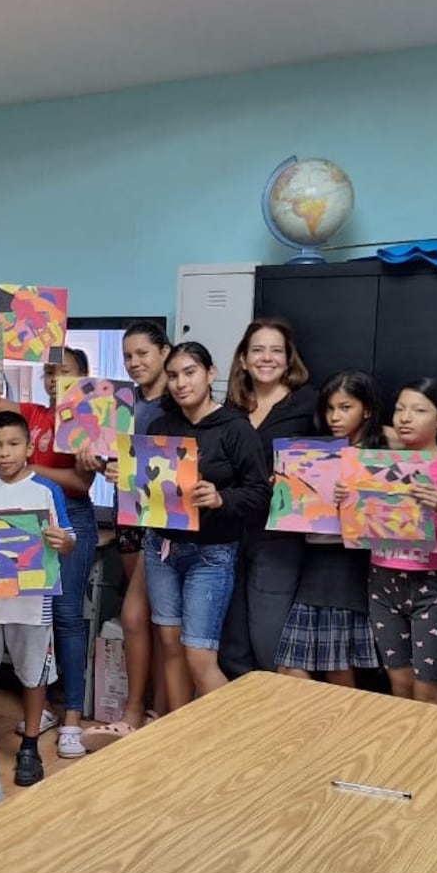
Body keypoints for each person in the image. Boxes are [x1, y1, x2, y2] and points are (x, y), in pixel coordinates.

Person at [0, 348, 98, 760]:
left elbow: (80, 484)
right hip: (18, 518)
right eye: (49, 371)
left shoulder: (86, 419)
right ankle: (43, 707)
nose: (54, 379)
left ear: (84, 376)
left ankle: (71, 715)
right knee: (33, 617)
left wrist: (28, 468)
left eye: (64, 372)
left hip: (67, 518)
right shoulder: (29, 412)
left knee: (66, 616)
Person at [144, 342, 270, 711]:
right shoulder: (161, 426)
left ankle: (236, 740)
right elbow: (149, 490)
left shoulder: (234, 428)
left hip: (211, 554)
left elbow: (259, 492)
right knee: (169, 645)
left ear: (210, 374)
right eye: (173, 375)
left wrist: (221, 499)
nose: (181, 382)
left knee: (199, 656)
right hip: (161, 549)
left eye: (190, 372)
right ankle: (178, 737)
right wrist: (124, 475)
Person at [0, 411, 76, 786]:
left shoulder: (46, 491)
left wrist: (64, 541)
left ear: (29, 447)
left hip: (32, 602)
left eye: (13, 444)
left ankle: (29, 742)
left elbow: (68, 540)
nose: (4, 453)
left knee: (33, 674)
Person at [77, 321, 172, 751]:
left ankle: (148, 711)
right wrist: (97, 463)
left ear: (165, 353)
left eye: (143, 354)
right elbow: (112, 459)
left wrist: (129, 469)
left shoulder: (177, 403)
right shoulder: (120, 403)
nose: (135, 363)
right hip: (128, 518)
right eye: (128, 356)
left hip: (165, 525)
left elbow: (176, 469)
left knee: (144, 618)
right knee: (144, 621)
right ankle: (148, 711)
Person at [219, 318, 317, 679]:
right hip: (229, 532)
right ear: (243, 359)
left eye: (276, 350)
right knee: (231, 647)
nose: (266, 358)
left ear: (289, 359)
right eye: (257, 350)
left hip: (279, 536)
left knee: (270, 642)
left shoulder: (308, 403)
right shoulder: (229, 408)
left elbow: (338, 454)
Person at [274, 371, 384, 685]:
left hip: (349, 561)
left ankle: (345, 732)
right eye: (329, 408)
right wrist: (285, 491)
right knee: (290, 668)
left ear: (367, 410)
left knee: (338, 667)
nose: (335, 416)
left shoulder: (379, 454)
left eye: (345, 407)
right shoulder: (313, 450)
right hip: (313, 556)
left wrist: (358, 492)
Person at [370, 378, 437, 705]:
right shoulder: (377, 466)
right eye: (399, 410)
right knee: (399, 685)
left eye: (419, 410)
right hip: (382, 581)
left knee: (429, 688)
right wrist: (346, 497)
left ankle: (435, 755)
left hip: (432, 583)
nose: (405, 418)